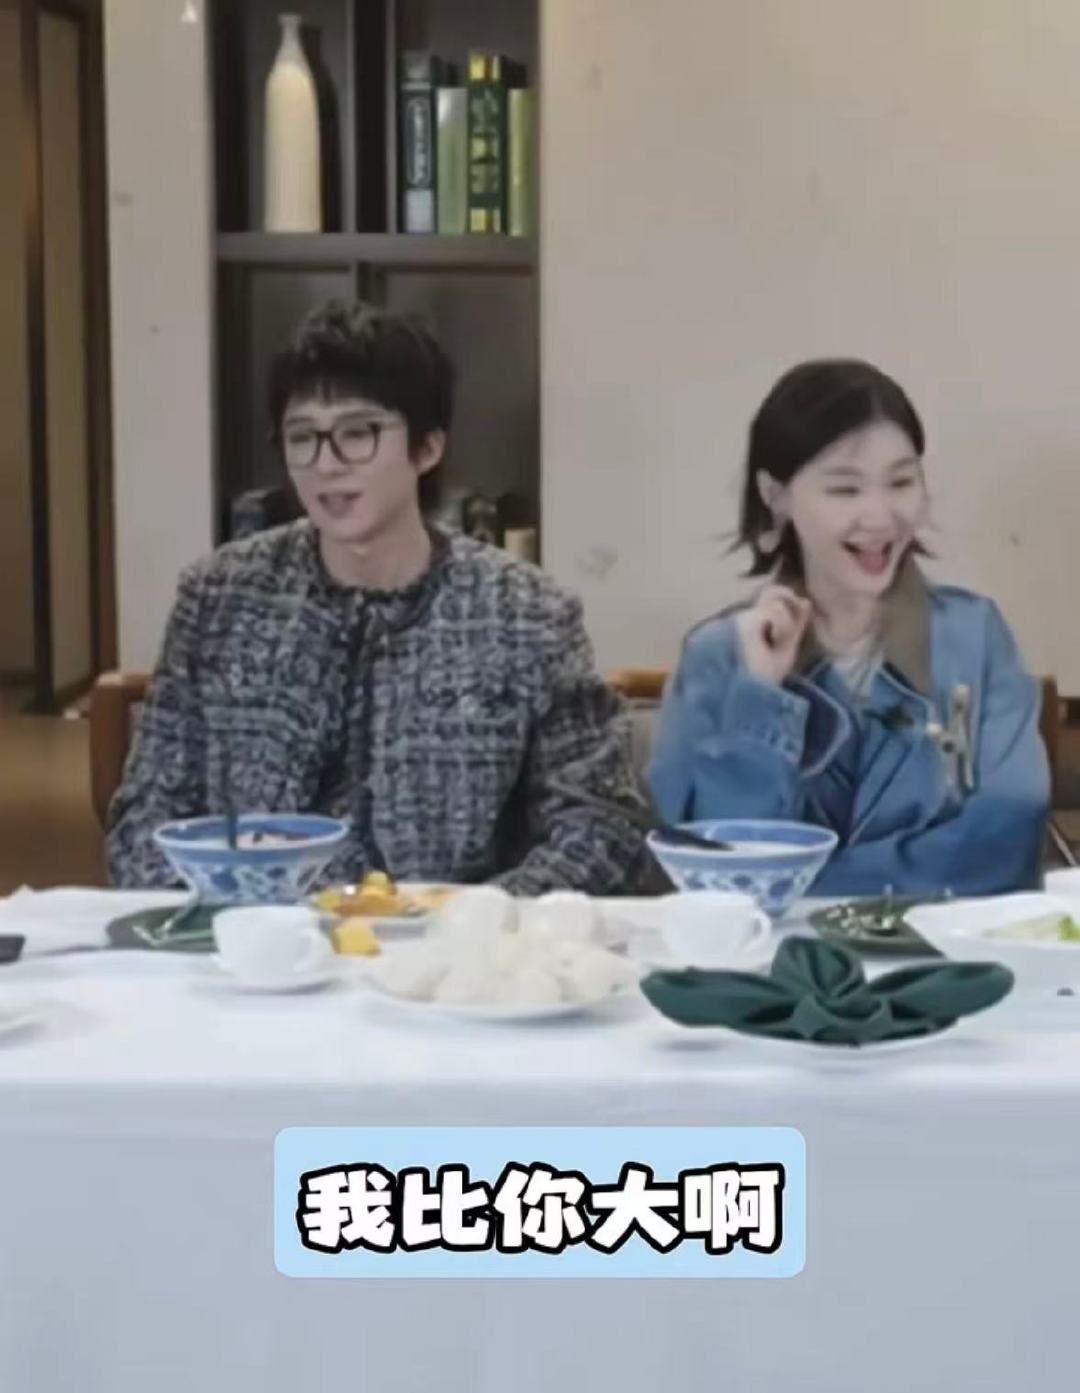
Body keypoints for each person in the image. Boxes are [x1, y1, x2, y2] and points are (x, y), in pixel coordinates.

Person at [107, 300, 645, 894]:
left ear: (427, 447)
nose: (326, 464)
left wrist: (477, 921)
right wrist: (224, 915)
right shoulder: (219, 597)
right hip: (252, 931)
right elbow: (145, 816)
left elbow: (600, 825)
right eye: (303, 438)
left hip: (456, 940)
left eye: (357, 434)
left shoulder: (526, 612)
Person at [648, 358, 1049, 896]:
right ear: (775, 495)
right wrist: (759, 697)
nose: (880, 517)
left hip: (944, 944)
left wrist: (813, 885)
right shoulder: (718, 655)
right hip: (771, 949)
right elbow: (715, 867)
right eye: (844, 490)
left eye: (901, 482)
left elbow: (1005, 838)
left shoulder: (974, 636)